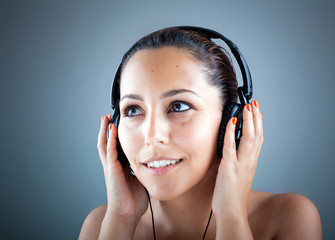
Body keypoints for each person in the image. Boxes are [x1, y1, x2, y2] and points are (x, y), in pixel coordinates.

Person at [79, 27, 322, 239]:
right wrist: (121, 220)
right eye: (133, 110)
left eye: (179, 106)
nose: (152, 136)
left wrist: (232, 215)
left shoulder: (288, 218)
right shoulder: (101, 226)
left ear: (234, 123)